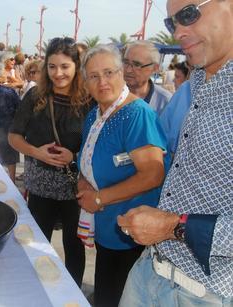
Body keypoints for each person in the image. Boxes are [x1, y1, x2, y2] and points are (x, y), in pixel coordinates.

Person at [118, 0, 233, 306]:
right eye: (172, 23)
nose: (179, 31)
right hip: (150, 270)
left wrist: (172, 225)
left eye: (189, 14)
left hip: (205, 294)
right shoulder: (196, 81)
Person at [77, 44, 170, 307]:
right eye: (93, 76)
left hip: (133, 232)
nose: (102, 81)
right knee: (106, 293)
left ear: (122, 73)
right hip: (108, 228)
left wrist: (98, 199)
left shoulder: (136, 114)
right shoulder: (95, 115)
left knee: (118, 297)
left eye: (109, 72)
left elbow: (153, 174)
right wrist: (83, 181)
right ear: (85, 82)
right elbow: (86, 159)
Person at [8, 37, 90, 288]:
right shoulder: (36, 96)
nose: (58, 73)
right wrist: (36, 152)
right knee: (37, 242)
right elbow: (13, 137)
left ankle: (71, 292)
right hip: (41, 185)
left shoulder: (90, 100)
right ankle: (38, 290)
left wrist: (74, 157)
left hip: (75, 187)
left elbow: (99, 144)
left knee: (74, 246)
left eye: (65, 66)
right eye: (52, 67)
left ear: (76, 66)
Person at [123, 40, 173, 115]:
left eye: (137, 65)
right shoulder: (108, 95)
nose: (128, 70)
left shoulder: (165, 102)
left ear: (155, 68)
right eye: (126, 62)